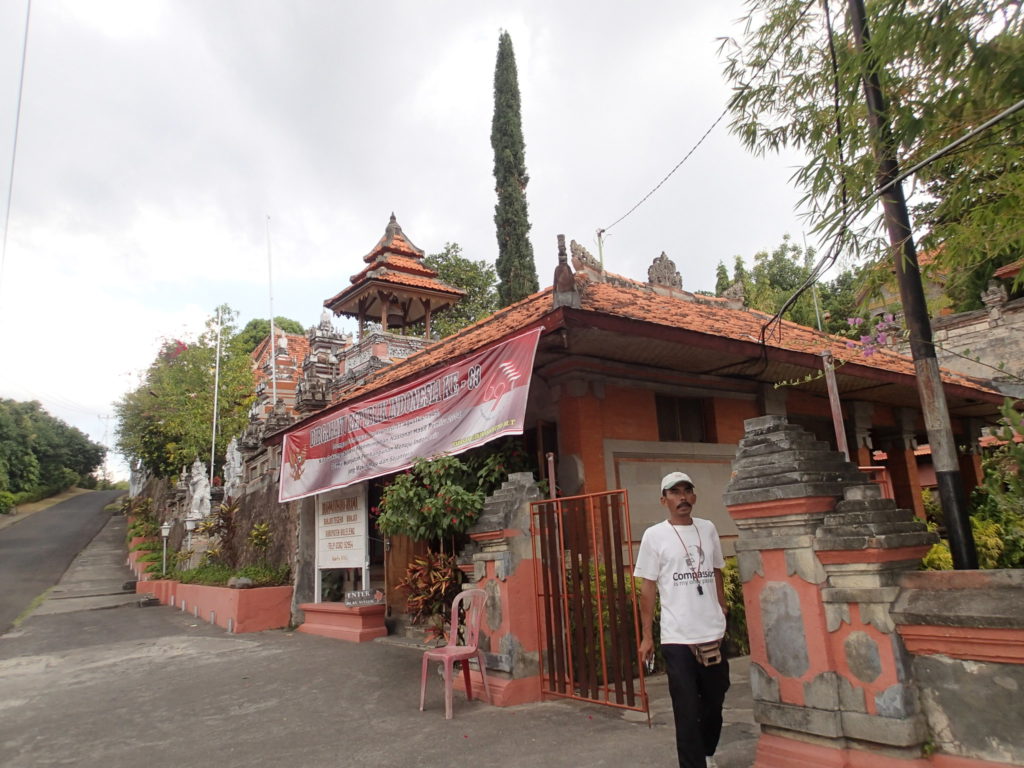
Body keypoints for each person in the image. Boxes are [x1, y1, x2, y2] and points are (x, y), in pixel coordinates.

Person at [635, 471, 730, 768]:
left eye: (687, 491)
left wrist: (723, 606)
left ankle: (707, 752)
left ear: (695, 497)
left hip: (712, 632)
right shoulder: (654, 536)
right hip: (677, 638)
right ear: (664, 500)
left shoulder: (708, 528)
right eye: (675, 493)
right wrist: (647, 636)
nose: (682, 497)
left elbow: (716, 570)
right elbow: (647, 587)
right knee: (686, 709)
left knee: (714, 704)